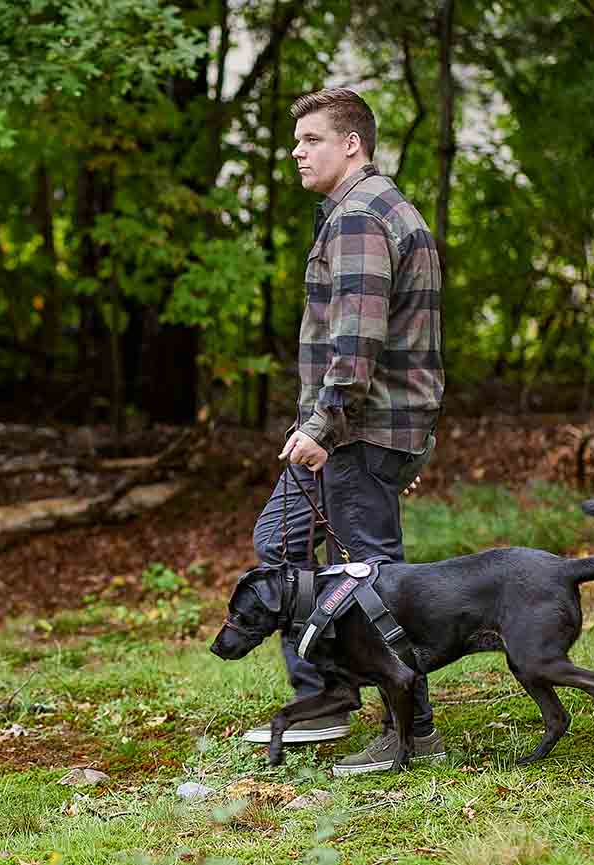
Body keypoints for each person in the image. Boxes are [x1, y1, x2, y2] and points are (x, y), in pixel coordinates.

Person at [241, 87, 445, 775]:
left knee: (372, 582)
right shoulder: (379, 210)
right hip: (370, 427)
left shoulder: (358, 218)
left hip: (354, 428)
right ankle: (329, 692)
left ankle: (410, 733)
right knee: (282, 544)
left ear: (351, 143)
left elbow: (356, 346)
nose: (296, 150)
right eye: (295, 140)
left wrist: (325, 424)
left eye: (311, 139)